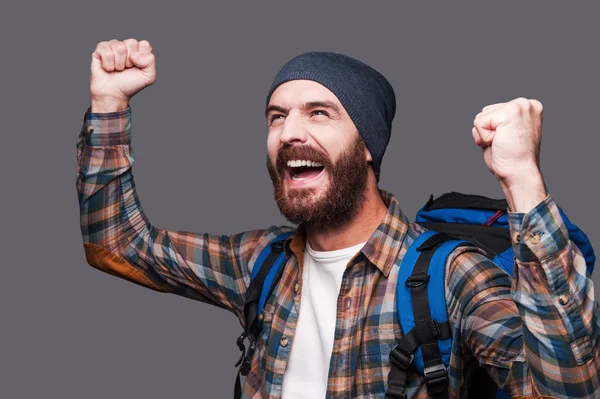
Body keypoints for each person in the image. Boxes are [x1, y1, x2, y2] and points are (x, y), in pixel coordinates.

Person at [76, 38, 600, 399]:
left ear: (367, 147)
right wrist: (108, 104)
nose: (289, 133)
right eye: (277, 116)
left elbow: (568, 388)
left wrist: (523, 184)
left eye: (319, 112)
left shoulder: (449, 273)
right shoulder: (260, 263)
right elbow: (118, 244)